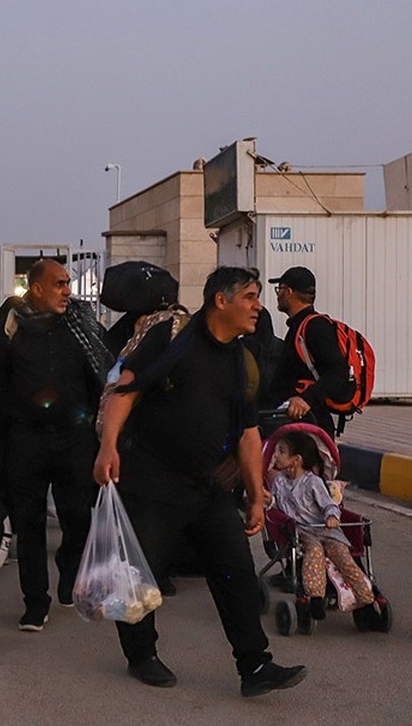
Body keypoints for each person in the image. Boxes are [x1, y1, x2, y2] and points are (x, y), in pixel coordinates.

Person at [94, 266, 306, 696]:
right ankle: (142, 655)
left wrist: (254, 495)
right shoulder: (172, 338)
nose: (258, 306)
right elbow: (126, 387)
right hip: (153, 482)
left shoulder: (240, 360)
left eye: (258, 296)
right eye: (249, 296)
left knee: (237, 574)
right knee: (140, 576)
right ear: (221, 301)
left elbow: (248, 434)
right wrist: (108, 445)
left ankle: (255, 665)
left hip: (208, 489)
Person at [0, 259, 112, 631]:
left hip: (74, 440)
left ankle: (69, 569)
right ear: (37, 289)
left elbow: (103, 380)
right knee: (29, 524)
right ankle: (35, 602)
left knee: (78, 519)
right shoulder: (12, 328)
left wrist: (109, 437)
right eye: (60, 284)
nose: (68, 291)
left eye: (68, 284)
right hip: (25, 440)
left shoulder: (82, 328)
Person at [266, 430, 374, 620]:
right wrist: (270, 501)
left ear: (296, 460)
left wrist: (332, 516)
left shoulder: (313, 482)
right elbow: (280, 507)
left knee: (344, 558)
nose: (276, 456)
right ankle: (316, 597)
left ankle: (366, 598)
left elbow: (329, 503)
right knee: (314, 553)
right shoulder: (280, 483)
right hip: (302, 533)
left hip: (326, 530)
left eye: (281, 451)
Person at [265, 266, 350, 439]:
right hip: (296, 423)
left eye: (279, 289)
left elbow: (338, 371)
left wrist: (306, 399)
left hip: (310, 426)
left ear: (288, 292)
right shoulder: (298, 326)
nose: (277, 294)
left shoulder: (315, 327)